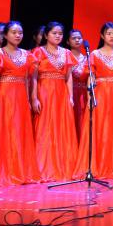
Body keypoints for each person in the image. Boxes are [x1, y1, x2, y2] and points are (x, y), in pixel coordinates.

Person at [0, 21, 41, 186]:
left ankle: (19, 170)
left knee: (19, 132)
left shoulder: (27, 55)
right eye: (13, 32)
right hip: (4, 96)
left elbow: (27, 79)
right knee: (4, 131)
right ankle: (3, 170)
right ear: (5, 35)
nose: (18, 35)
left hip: (20, 97)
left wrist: (29, 99)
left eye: (20, 32)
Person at [72, 22, 113, 180]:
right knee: (99, 128)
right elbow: (91, 76)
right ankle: (96, 165)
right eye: (109, 34)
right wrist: (90, 96)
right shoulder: (94, 54)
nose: (112, 37)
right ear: (102, 36)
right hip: (100, 93)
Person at [32, 21, 77, 182]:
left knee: (62, 128)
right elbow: (34, 77)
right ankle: (44, 167)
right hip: (44, 93)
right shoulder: (38, 52)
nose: (58, 36)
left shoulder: (66, 53)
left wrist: (70, 96)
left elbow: (69, 76)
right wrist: (34, 97)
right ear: (46, 35)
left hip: (61, 93)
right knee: (45, 128)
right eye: (54, 33)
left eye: (60, 34)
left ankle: (63, 165)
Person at [68, 29, 89, 136]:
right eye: (73, 38)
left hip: (84, 94)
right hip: (69, 93)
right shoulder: (65, 57)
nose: (77, 40)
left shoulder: (87, 58)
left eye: (79, 38)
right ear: (68, 41)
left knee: (83, 120)